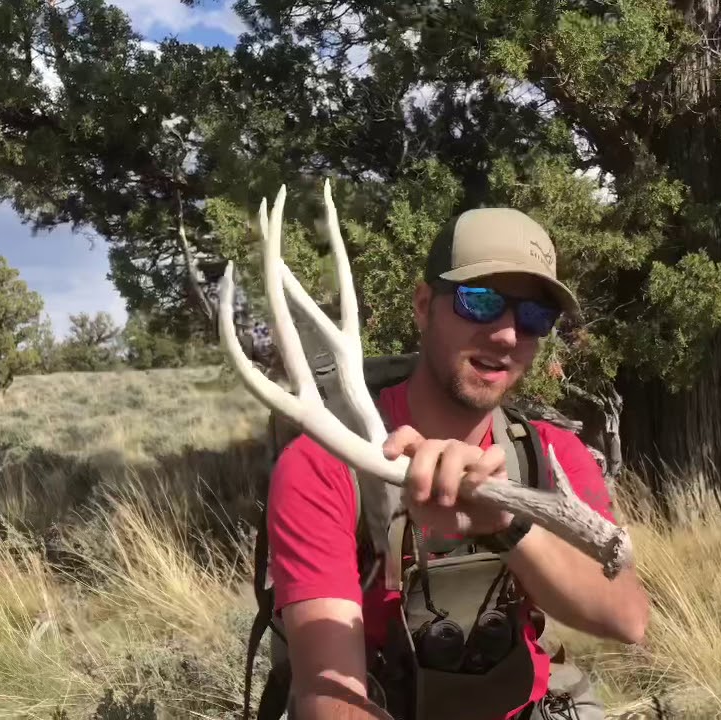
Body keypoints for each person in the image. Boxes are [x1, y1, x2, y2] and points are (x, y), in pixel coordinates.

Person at [265, 207, 650, 720]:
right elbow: (330, 695)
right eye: (481, 301)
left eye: (535, 316)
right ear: (424, 306)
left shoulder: (552, 454)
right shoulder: (326, 463)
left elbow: (627, 617)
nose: (508, 335)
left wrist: (508, 524)